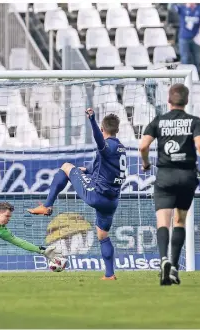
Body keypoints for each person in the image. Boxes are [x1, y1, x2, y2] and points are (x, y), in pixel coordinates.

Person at [27, 108, 126, 280]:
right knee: (103, 235)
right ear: (117, 129)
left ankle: (47, 206)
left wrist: (92, 120)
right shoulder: (120, 148)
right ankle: (109, 275)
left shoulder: (107, 145)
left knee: (66, 167)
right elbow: (107, 168)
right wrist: (86, 170)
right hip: (112, 200)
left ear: (103, 129)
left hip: (97, 194)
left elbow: (98, 142)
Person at [139, 83, 200, 286]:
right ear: (186, 101)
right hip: (186, 177)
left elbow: (143, 145)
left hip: (165, 177)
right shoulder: (193, 121)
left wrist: (146, 162)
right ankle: (175, 267)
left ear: (169, 100)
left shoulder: (159, 121)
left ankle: (163, 261)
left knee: (162, 222)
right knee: (180, 221)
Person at [173, 3, 200, 71]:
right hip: (184, 37)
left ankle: (196, 75)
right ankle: (185, 74)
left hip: (196, 37)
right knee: (185, 57)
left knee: (197, 57)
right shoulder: (182, 8)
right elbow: (172, 6)